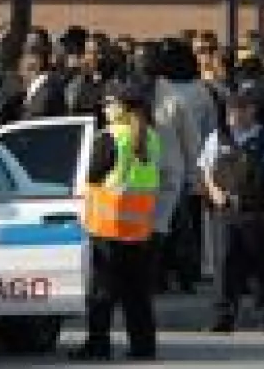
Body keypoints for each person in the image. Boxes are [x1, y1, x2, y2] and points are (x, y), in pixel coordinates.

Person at [74, 77, 160, 361]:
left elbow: (90, 176)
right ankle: (143, 346)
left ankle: (98, 345)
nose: (104, 108)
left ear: (122, 107)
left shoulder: (111, 137)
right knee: (137, 294)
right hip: (139, 229)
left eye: (109, 103)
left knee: (101, 294)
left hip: (108, 228)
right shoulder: (152, 137)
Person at [199, 79, 264, 335]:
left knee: (261, 267)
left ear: (252, 110)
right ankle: (223, 317)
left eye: (239, 109)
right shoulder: (219, 137)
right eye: (230, 110)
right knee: (225, 264)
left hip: (258, 211)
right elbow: (206, 167)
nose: (233, 115)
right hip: (227, 210)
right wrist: (214, 190)